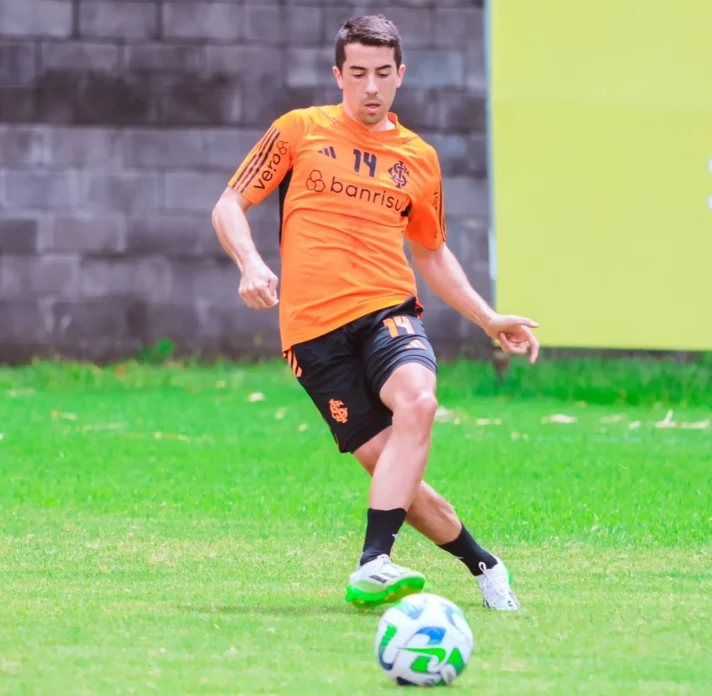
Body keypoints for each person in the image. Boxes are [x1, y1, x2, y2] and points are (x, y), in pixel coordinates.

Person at [211, 14, 540, 612]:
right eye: (358, 73)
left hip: (387, 310)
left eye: (383, 74)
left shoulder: (418, 157)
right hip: (312, 335)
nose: (371, 87)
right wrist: (250, 264)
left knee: (419, 402)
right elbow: (230, 203)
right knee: (392, 470)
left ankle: (374, 562)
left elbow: (431, 252)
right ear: (338, 75)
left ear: (400, 75)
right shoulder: (298, 130)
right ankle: (484, 564)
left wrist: (487, 317)